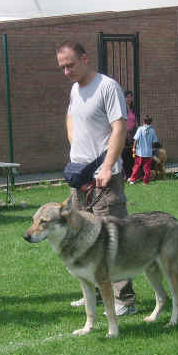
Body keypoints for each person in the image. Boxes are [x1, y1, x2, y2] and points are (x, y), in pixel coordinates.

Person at [56, 41, 138, 316]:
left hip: (105, 180)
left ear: (85, 59)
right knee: (82, 237)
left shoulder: (107, 86)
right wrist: (75, 153)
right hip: (80, 177)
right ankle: (94, 294)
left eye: (70, 65)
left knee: (114, 237)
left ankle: (124, 300)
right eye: (62, 67)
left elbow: (120, 128)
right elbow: (70, 119)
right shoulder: (74, 89)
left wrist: (106, 166)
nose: (66, 71)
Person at [129, 115, 158, 185]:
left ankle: (132, 179)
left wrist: (134, 147)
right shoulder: (152, 131)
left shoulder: (140, 129)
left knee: (137, 166)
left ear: (143, 121)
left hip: (140, 153)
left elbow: (136, 139)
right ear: (151, 122)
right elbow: (154, 142)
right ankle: (146, 181)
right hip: (148, 153)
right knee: (147, 168)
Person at [121, 90, 137, 179]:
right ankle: (126, 175)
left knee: (132, 155)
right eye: (127, 97)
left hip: (132, 134)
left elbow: (134, 121)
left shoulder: (132, 108)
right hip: (125, 135)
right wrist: (125, 132)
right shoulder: (122, 108)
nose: (129, 98)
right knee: (125, 155)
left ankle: (131, 175)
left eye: (130, 96)